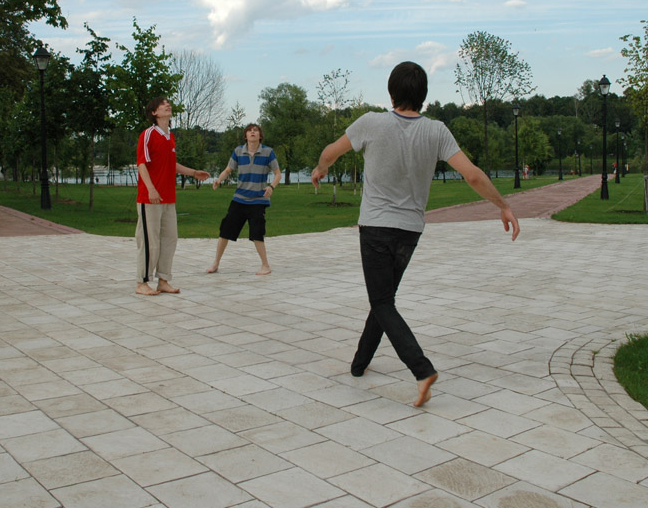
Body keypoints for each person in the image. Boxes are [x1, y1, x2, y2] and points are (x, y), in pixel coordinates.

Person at [311, 62, 520, 407]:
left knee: (381, 301)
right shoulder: (437, 131)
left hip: (376, 227)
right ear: (423, 96)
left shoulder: (371, 123)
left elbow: (330, 153)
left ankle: (422, 370)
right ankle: (359, 364)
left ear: (391, 93)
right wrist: (503, 205)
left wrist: (320, 169)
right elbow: (472, 175)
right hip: (410, 231)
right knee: (384, 298)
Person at [135, 96, 211, 296]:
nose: (167, 106)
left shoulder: (170, 136)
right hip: (149, 198)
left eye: (168, 104)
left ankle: (163, 280)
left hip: (168, 198)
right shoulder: (148, 134)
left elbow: (172, 165)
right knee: (150, 240)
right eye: (162, 105)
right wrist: (151, 188)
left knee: (170, 239)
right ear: (154, 113)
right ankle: (142, 282)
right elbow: (142, 163)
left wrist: (194, 173)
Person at [206, 124, 282, 276]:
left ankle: (265, 265)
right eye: (249, 130)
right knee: (225, 231)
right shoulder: (238, 151)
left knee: (257, 233)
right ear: (245, 135)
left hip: (259, 200)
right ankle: (215, 263)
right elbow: (228, 170)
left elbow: (277, 173)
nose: (252, 132)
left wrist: (271, 187)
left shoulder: (268, 152)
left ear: (260, 136)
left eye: (256, 130)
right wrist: (218, 180)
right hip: (239, 198)